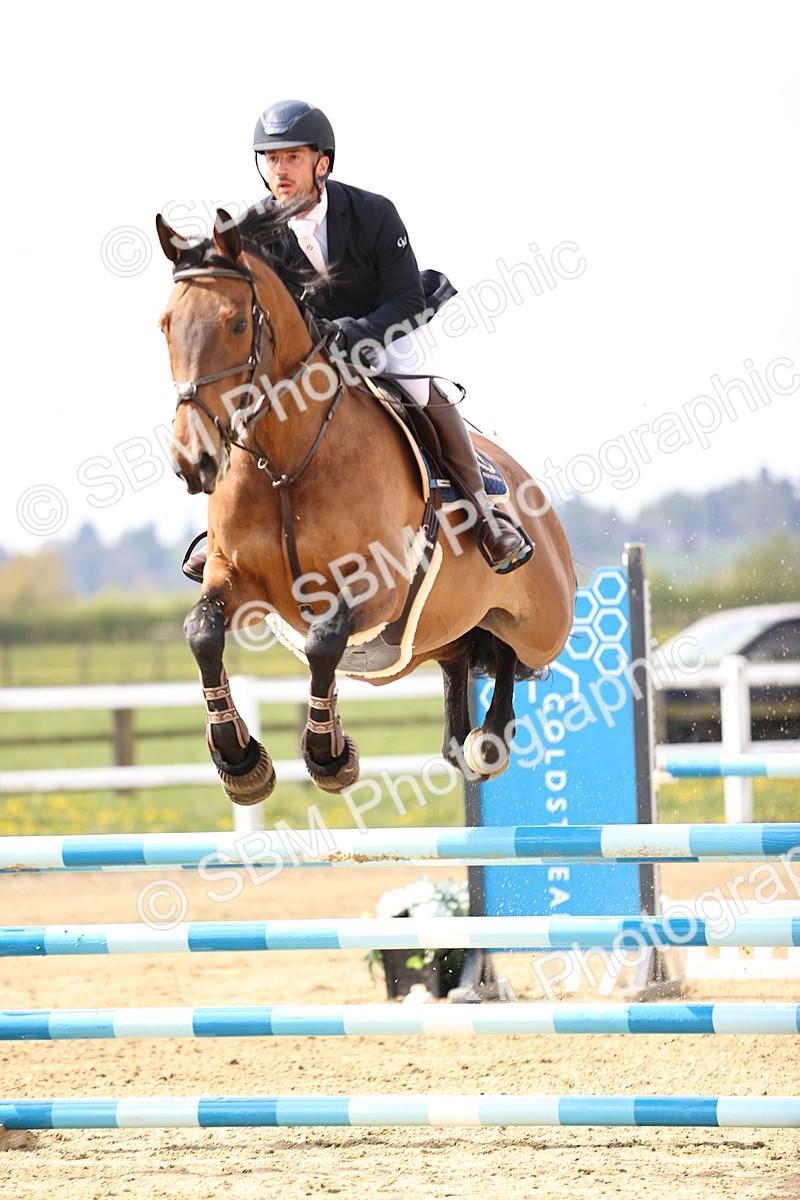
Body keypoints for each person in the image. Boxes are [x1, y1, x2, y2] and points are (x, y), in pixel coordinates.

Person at [183, 99, 529, 581]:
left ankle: (486, 516)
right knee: (241, 403)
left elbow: (406, 300)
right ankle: (221, 532)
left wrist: (354, 335)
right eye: (271, 158)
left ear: (322, 162)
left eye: (292, 158)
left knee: (418, 389)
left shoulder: (373, 213)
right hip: (309, 350)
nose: (279, 169)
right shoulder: (255, 231)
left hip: (385, 327)